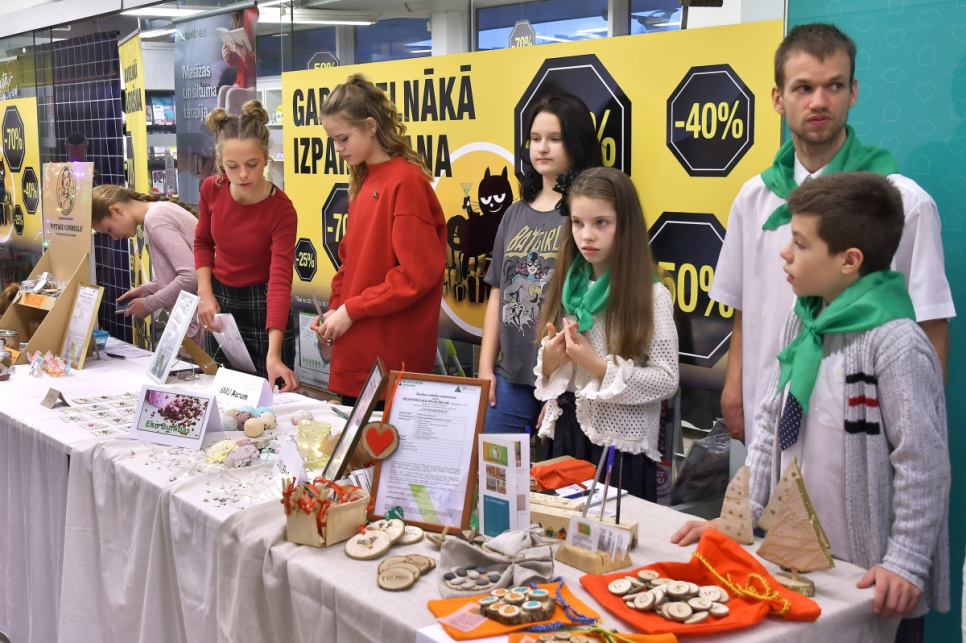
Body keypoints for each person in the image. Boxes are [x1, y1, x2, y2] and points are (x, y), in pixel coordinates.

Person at [672, 172, 950, 640]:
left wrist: (905, 560)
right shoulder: (801, 321)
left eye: (800, 243)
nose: (785, 253)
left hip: (870, 576)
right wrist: (738, 517)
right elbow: (770, 424)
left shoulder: (896, 343)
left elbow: (923, 463)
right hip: (798, 560)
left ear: (849, 260)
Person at [709, 23, 955, 447]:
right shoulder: (753, 197)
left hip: (860, 432)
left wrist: (917, 433)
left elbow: (930, 326)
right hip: (767, 413)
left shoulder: (902, 202)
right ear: (778, 98)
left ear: (853, 92)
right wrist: (734, 388)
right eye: (803, 88)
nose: (819, 101)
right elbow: (744, 307)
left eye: (834, 86)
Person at [534, 167, 679, 501]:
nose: (587, 235)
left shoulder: (651, 295)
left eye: (601, 223)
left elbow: (666, 380)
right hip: (566, 432)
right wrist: (550, 362)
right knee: (559, 527)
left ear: (626, 224)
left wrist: (599, 368)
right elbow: (558, 374)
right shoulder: (567, 284)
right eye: (578, 223)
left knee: (612, 530)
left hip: (619, 447)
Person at [309, 74, 446, 404]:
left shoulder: (406, 182)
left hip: (390, 362)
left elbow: (415, 275)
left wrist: (350, 310)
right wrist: (335, 310)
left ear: (370, 126)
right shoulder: (365, 181)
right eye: (332, 140)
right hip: (358, 352)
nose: (337, 148)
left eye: (343, 138)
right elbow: (349, 264)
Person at [479, 93, 603, 434]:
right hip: (510, 377)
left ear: (576, 143)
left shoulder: (586, 216)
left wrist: (560, 385)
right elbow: (497, 294)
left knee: (556, 470)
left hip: (568, 381)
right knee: (493, 464)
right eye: (535, 138)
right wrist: (485, 368)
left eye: (555, 139)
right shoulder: (513, 214)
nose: (542, 148)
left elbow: (593, 301)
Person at [194, 100, 298, 391]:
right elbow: (203, 242)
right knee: (221, 393)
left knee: (269, 400)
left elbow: (279, 282)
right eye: (232, 166)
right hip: (222, 303)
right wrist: (205, 294)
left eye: (252, 165)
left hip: (266, 308)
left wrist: (274, 355)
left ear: (265, 158)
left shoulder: (281, 210)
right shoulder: (211, 189)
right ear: (220, 162)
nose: (242, 174)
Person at [92, 185, 203, 348]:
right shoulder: (156, 215)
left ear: (116, 210)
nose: (114, 237)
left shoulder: (155, 219)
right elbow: (182, 273)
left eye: (109, 229)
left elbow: (191, 276)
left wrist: (148, 304)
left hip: (201, 321)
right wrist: (147, 290)